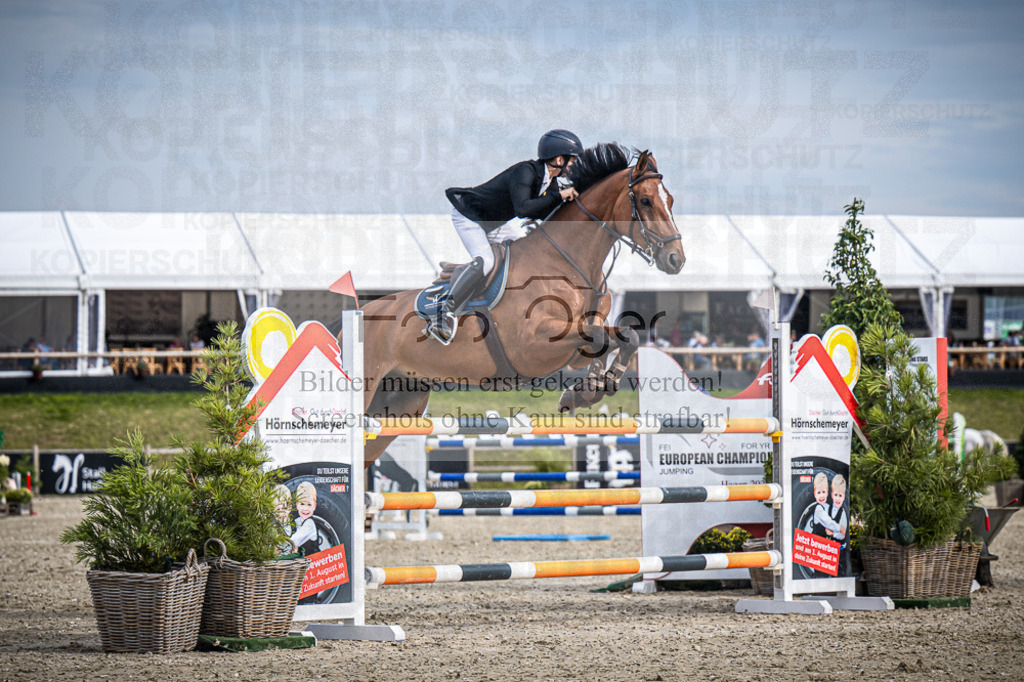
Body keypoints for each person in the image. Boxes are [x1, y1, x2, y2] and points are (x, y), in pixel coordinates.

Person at [426, 129, 584, 344]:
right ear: (559, 159)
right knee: (486, 262)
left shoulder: (550, 182)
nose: (574, 166)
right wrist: (559, 196)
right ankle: (444, 313)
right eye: (572, 161)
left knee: (526, 255)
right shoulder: (525, 171)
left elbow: (542, 213)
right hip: (470, 216)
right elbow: (523, 209)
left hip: (495, 222)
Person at [289, 482, 322, 558]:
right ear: (297, 505)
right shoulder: (297, 521)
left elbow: (295, 540)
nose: (305, 509)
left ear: (314, 506)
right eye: (302, 504)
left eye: (309, 505)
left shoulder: (309, 524)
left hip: (312, 562)